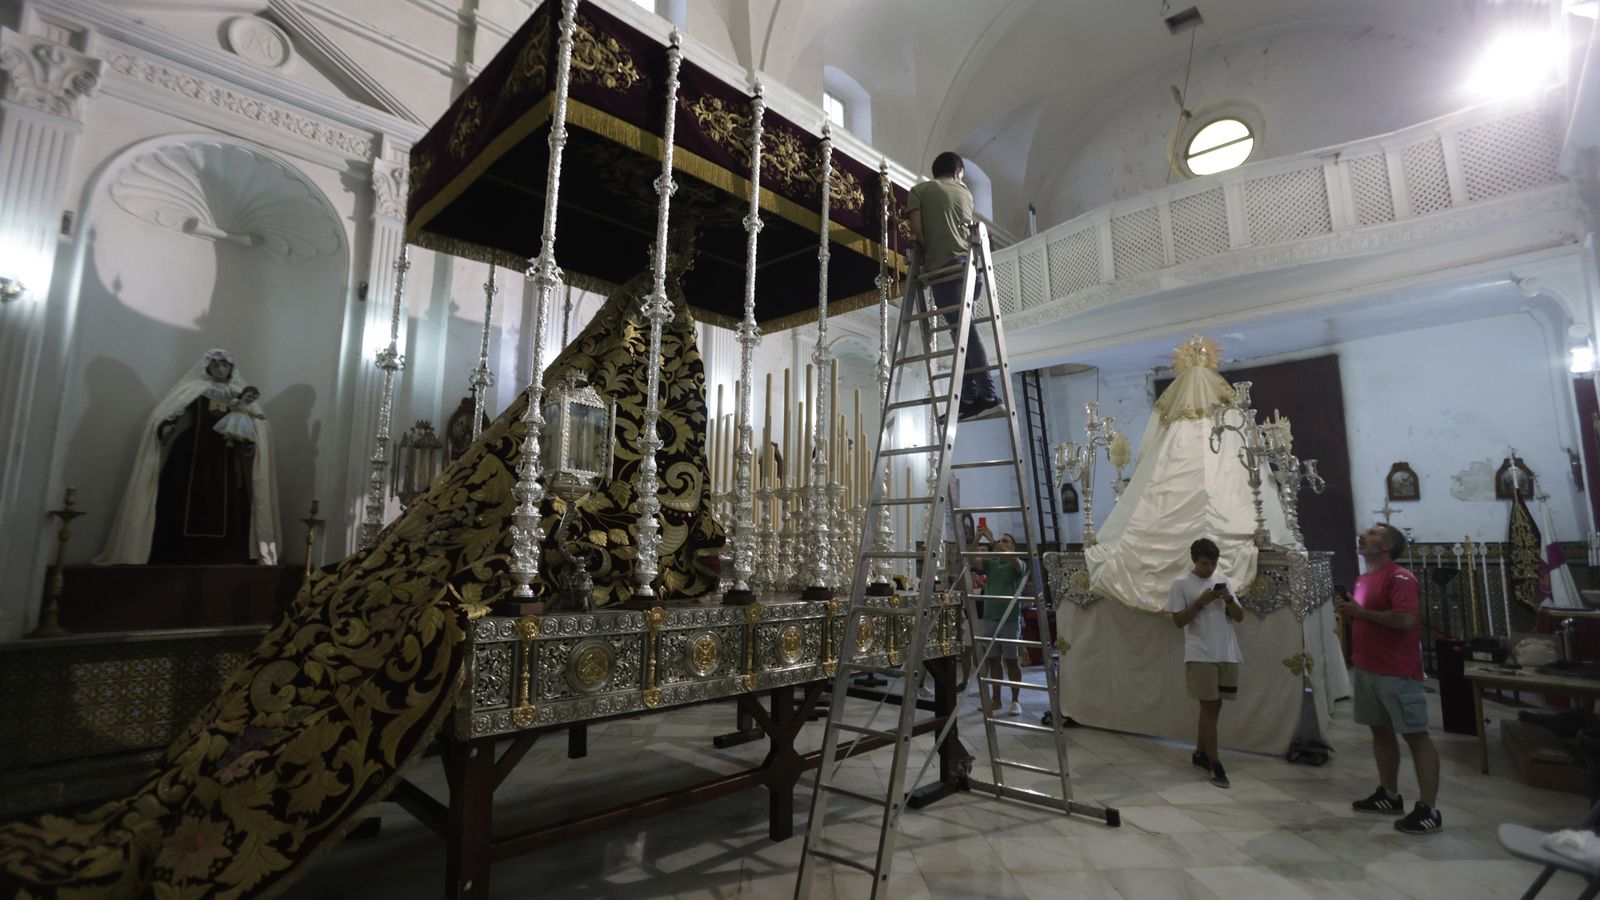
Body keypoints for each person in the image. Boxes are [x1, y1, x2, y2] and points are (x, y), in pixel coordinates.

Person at [96, 349, 281, 566]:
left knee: (229, 498)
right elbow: (171, 412)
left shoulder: (239, 393)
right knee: (183, 494)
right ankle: (179, 549)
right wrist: (166, 427)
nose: (220, 369)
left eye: (224, 365)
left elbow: (255, 424)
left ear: (231, 368)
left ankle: (227, 552)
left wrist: (252, 442)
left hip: (227, 453)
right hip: (192, 451)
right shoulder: (195, 389)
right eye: (215, 365)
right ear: (208, 368)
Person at [1335, 522, 1442, 834]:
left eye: (1373, 533)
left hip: (1396, 670)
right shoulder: (1365, 578)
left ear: (1386, 546)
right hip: (1368, 667)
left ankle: (1428, 809)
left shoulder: (1400, 577)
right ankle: (1389, 794)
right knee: (1380, 732)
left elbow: (1406, 619)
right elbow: (1364, 618)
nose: (1363, 535)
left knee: (1415, 735)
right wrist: (1350, 612)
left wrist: (1361, 613)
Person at [907, 151, 1001, 422]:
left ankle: (989, 395)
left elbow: (917, 231)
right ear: (958, 171)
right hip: (970, 271)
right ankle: (971, 397)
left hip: (945, 273)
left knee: (965, 334)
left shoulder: (920, 190)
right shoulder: (965, 193)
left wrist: (923, 260)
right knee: (961, 334)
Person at [1166, 537, 1243, 789]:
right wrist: (1201, 602)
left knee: (1214, 708)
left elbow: (1240, 617)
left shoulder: (1222, 580)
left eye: (1213, 563)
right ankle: (1215, 763)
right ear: (1194, 560)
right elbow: (1178, 621)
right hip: (1200, 654)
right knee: (1209, 708)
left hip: (1226, 651)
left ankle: (1200, 753)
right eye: (1204, 563)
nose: (1209, 569)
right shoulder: (1181, 584)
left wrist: (1228, 600)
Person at [975, 532, 1026, 716]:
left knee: (1011, 660)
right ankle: (996, 699)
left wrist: (991, 540)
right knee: (993, 660)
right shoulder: (992, 563)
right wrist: (976, 538)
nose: (1000, 543)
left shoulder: (1018, 563)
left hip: (1010, 619)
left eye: (1005, 541)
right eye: (1000, 540)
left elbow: (1012, 560)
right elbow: (974, 560)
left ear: (1013, 546)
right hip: (990, 617)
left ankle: (1015, 700)